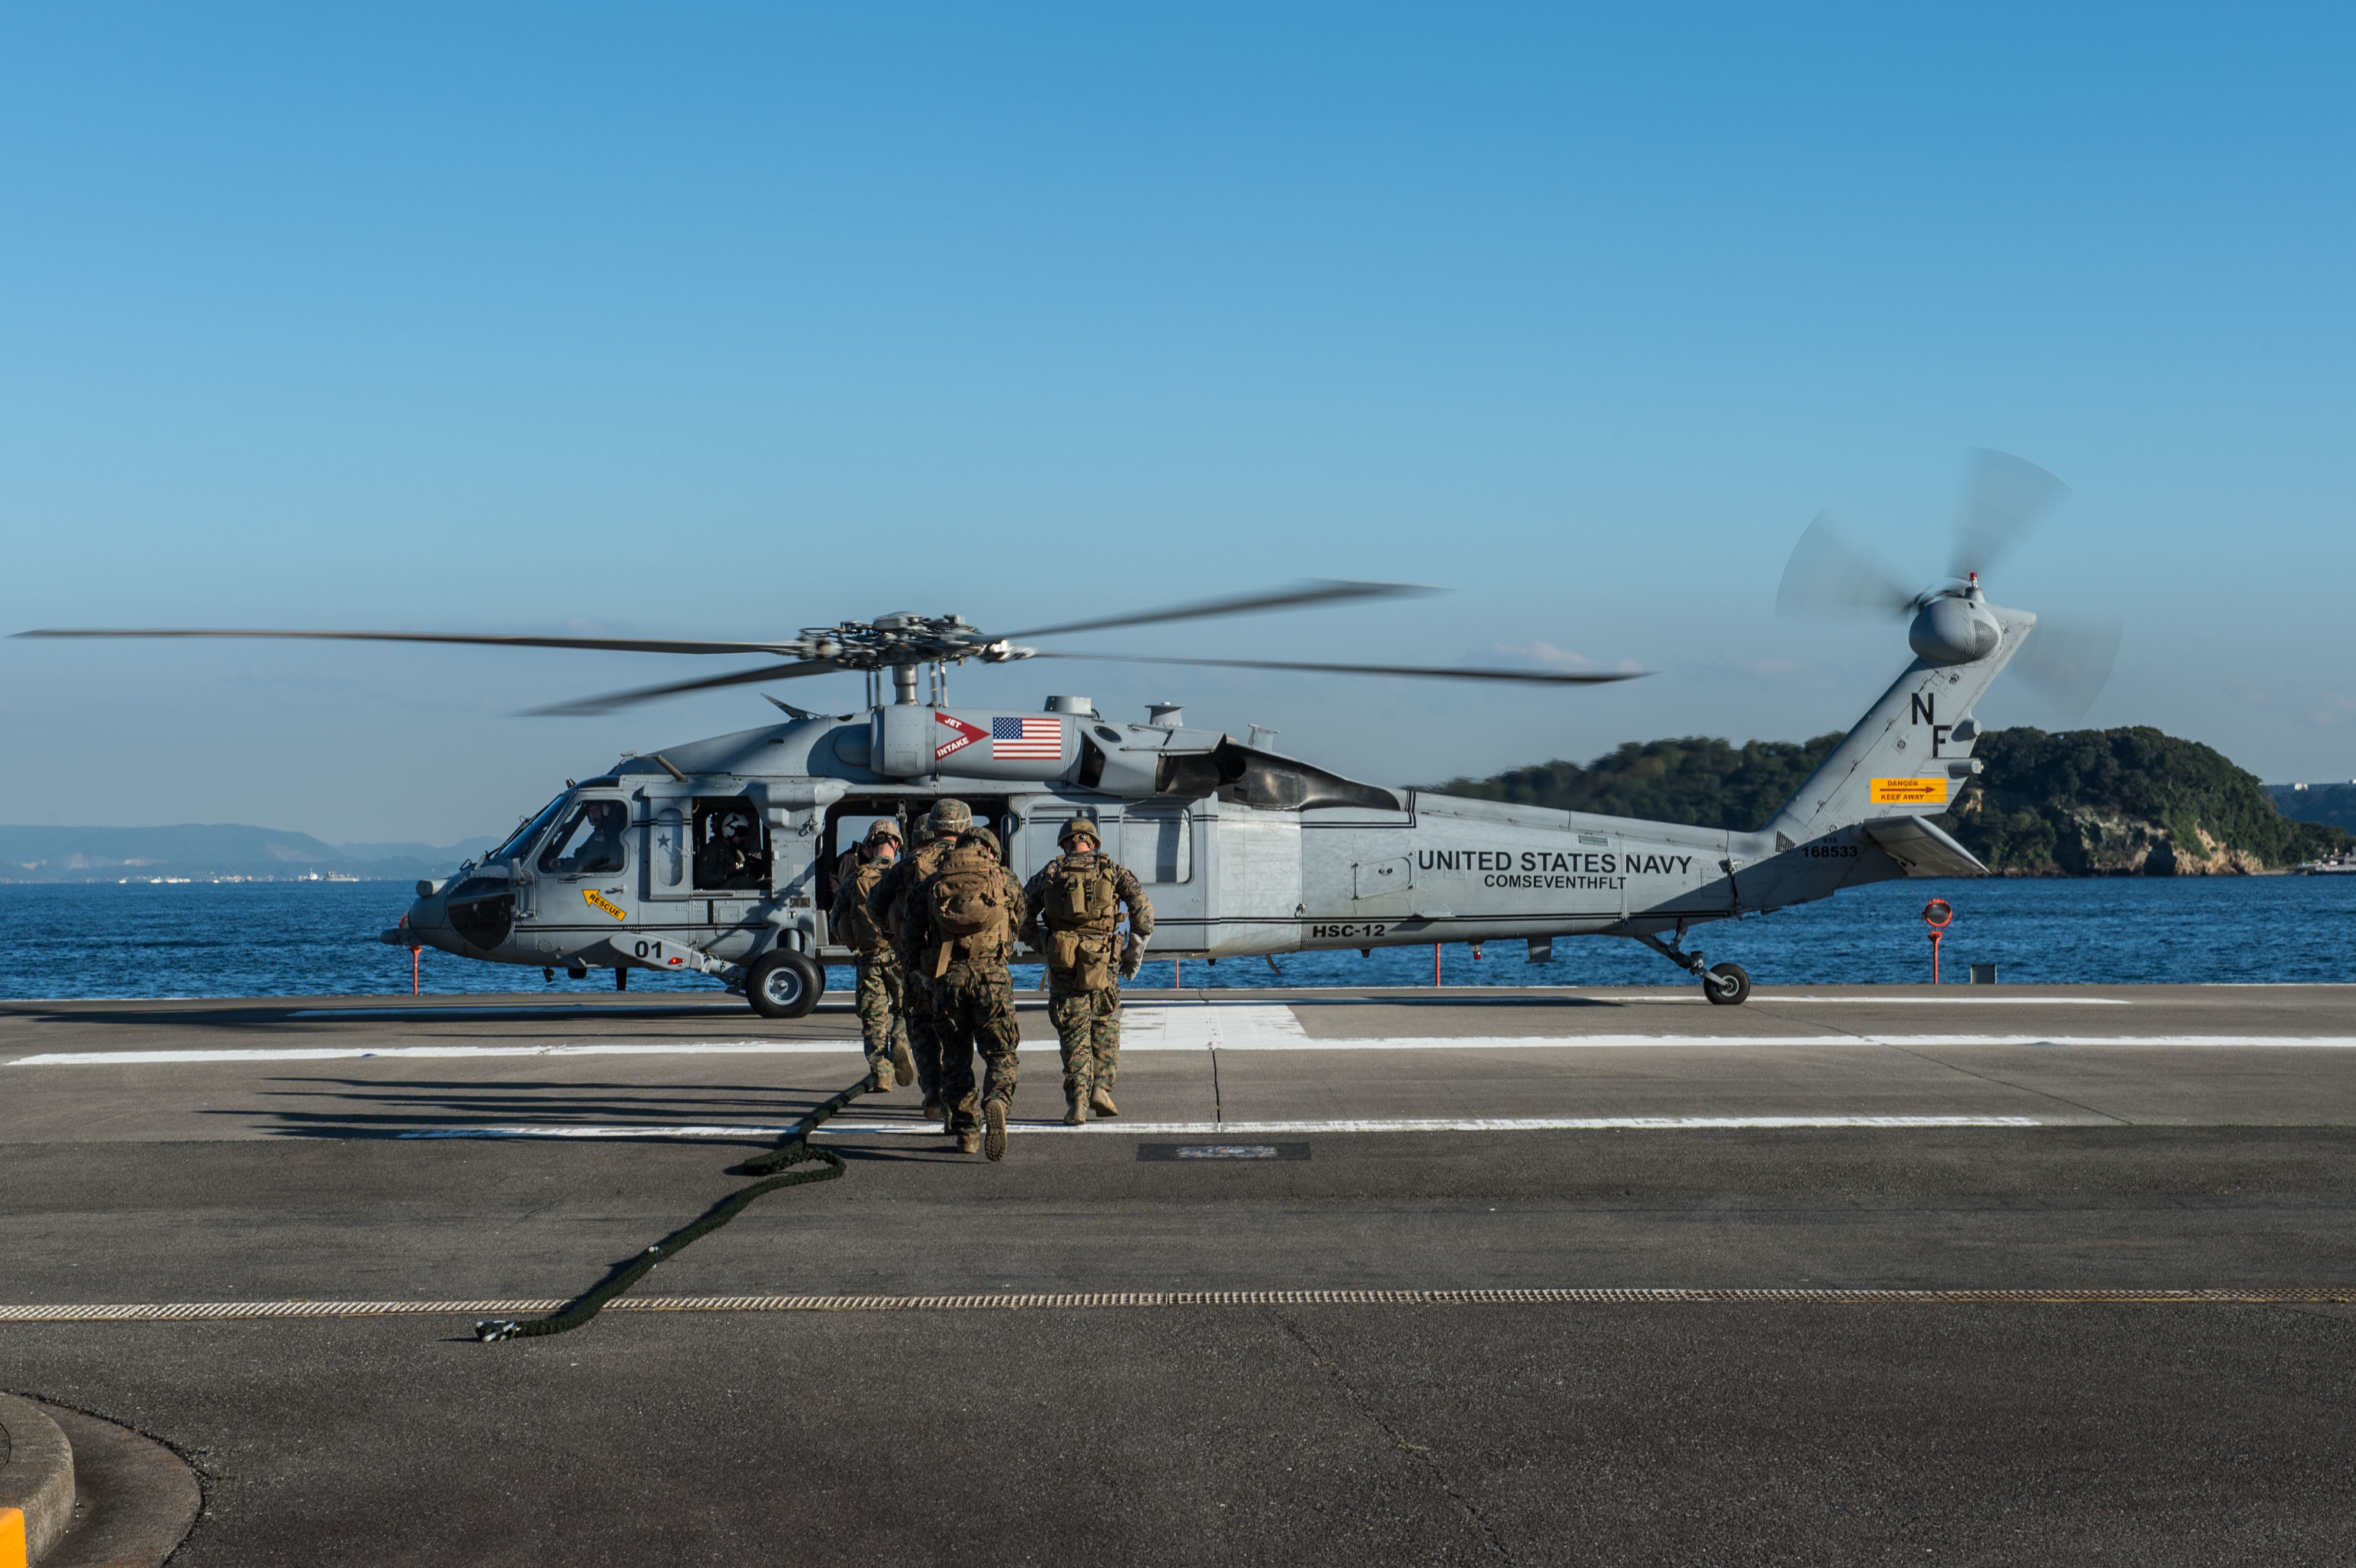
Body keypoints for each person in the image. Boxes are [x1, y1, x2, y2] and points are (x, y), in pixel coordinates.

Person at [1021, 816, 1154, 1124]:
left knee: (1073, 1033)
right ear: (1093, 843)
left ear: (1065, 843)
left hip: (1063, 964)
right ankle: (1102, 1090)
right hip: (1104, 963)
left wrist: (1046, 944)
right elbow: (1144, 915)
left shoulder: (1050, 873)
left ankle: (1077, 1103)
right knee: (1105, 1024)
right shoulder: (1113, 870)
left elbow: (1020, 914)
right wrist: (1132, 955)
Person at [908, 824, 1027, 1160]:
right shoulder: (1004, 879)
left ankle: (967, 1134)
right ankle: (997, 1101)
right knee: (1001, 1053)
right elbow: (1021, 916)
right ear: (990, 850)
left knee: (956, 1059)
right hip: (993, 978)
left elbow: (911, 937)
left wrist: (921, 976)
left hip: (949, 979)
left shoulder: (934, 881)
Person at [867, 799, 972, 1120]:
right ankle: (963, 1109)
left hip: (920, 964)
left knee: (923, 1027)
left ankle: (931, 1092)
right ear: (964, 826)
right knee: (959, 1033)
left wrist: (896, 936)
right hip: (964, 964)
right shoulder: (975, 859)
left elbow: (874, 905)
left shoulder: (911, 863)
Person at [828, 819, 913, 1093]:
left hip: (868, 959)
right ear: (896, 844)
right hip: (900, 956)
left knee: (874, 1019)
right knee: (906, 1008)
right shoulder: (906, 874)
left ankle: (882, 1074)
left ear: (870, 845)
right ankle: (900, 1036)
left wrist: (853, 943)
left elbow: (835, 920)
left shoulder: (854, 879)